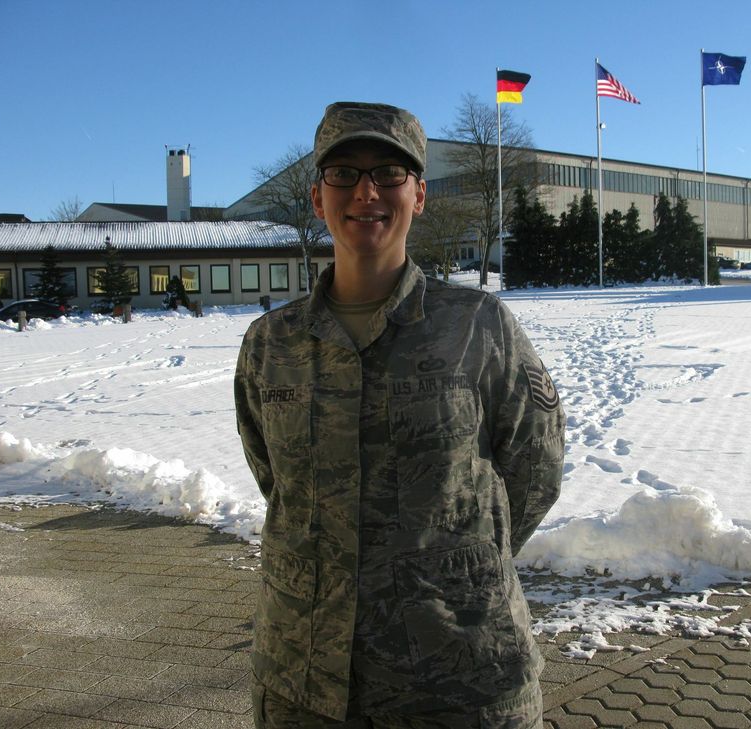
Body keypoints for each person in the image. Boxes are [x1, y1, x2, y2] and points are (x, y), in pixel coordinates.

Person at [234, 101, 565, 728]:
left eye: (389, 173)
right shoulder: (271, 344)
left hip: (458, 676)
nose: (367, 192)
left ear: (419, 195)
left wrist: (452, 567)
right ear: (317, 198)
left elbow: (536, 469)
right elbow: (278, 481)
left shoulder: (478, 327)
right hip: (306, 679)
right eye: (344, 173)